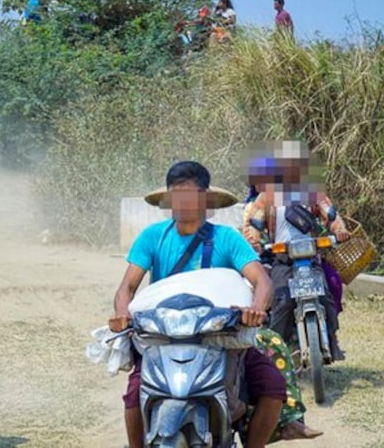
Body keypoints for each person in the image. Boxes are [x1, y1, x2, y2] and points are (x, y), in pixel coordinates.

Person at [110, 160, 285, 448]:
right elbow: (127, 287)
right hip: (163, 338)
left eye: (189, 195)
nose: (182, 202)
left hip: (219, 336)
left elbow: (262, 282)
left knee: (272, 385)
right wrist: (121, 314)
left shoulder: (227, 238)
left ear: (205, 199)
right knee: (133, 394)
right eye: (176, 195)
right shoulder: (152, 237)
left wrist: (256, 309)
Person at [242, 144, 350, 361]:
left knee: (327, 299)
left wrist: (339, 230)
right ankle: (274, 354)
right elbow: (254, 222)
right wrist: (253, 238)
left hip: (311, 257)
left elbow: (329, 213)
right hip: (282, 259)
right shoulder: (267, 196)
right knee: (281, 301)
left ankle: (331, 340)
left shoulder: (313, 193)